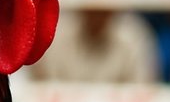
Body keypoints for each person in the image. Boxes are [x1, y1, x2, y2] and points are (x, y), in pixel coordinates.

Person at [28, 10, 159, 83]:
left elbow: (141, 91)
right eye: (92, 10)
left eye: (102, 11)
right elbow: (42, 88)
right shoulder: (57, 35)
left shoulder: (134, 37)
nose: (96, 17)